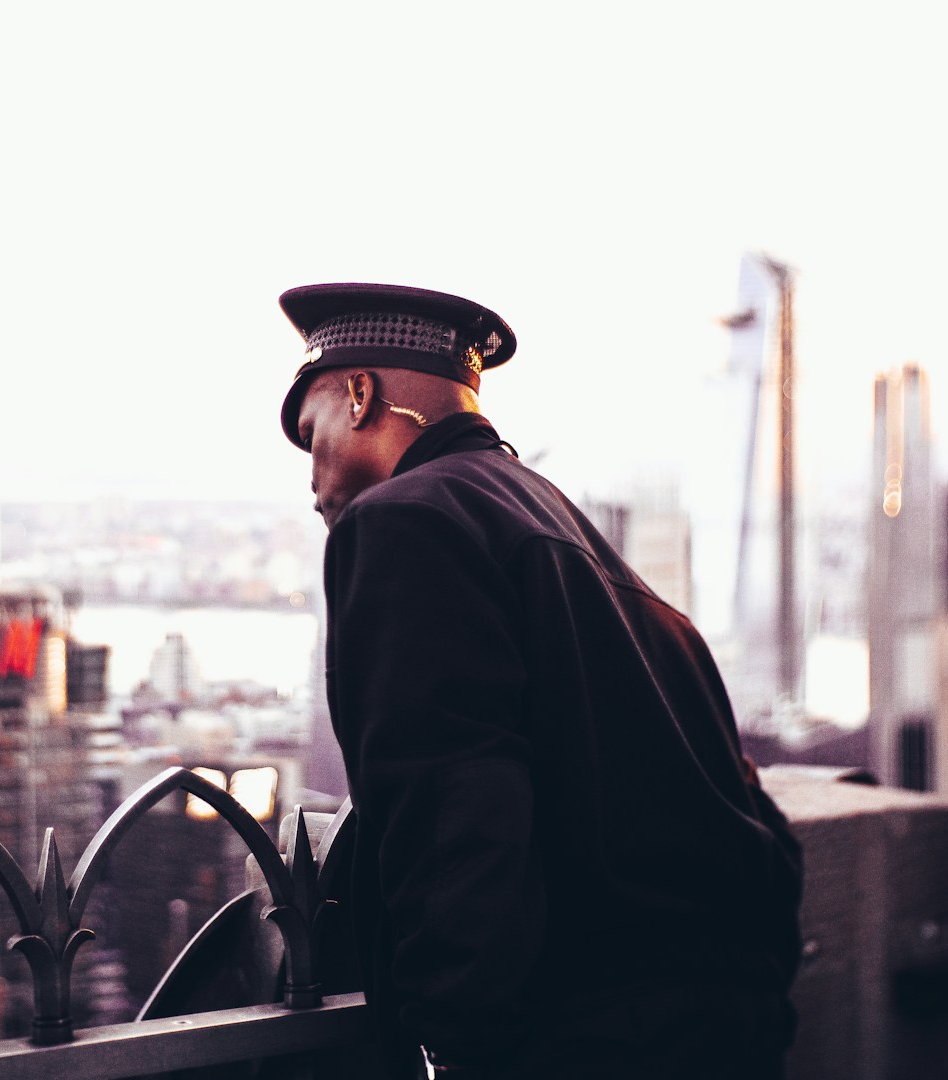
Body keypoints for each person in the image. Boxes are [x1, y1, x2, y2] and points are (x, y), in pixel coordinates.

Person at [279, 283, 804, 1079]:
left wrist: (457, 1047)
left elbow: (453, 814)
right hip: (725, 1031)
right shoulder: (568, 531)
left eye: (308, 431)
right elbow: (751, 817)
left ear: (359, 395)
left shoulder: (404, 521)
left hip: (575, 1046)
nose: (309, 477)